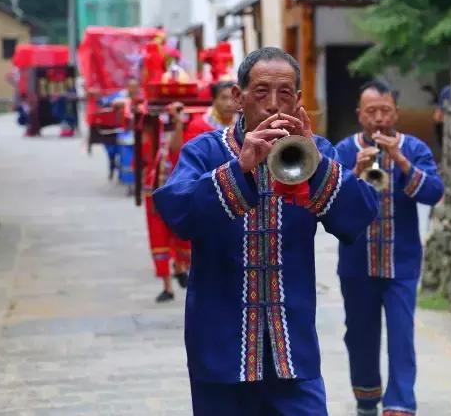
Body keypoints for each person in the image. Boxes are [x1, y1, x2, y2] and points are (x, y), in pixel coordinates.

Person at [152, 47, 378, 415]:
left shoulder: (316, 151)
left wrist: (316, 165)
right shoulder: (205, 152)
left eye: (285, 93)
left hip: (293, 353)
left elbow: (358, 214)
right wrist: (239, 169)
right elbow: (178, 215)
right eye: (261, 92)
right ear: (238, 98)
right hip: (221, 352)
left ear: (298, 101)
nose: (273, 104)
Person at [334, 80, 444, 416]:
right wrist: (355, 171)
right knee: (360, 336)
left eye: (385, 111)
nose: (379, 119)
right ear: (359, 115)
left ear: (396, 112)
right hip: (357, 265)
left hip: (402, 264)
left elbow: (434, 192)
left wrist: (401, 161)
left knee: (401, 336)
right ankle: (366, 399)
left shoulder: (414, 148)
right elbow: (330, 203)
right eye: (371, 112)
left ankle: (399, 405)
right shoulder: (344, 150)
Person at [145, 82, 239, 303]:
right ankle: (168, 283)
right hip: (191, 185)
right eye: (222, 98)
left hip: (226, 191)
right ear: (213, 100)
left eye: (231, 98)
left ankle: (184, 268)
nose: (227, 104)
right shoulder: (199, 125)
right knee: (163, 233)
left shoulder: (242, 127)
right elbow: (183, 156)